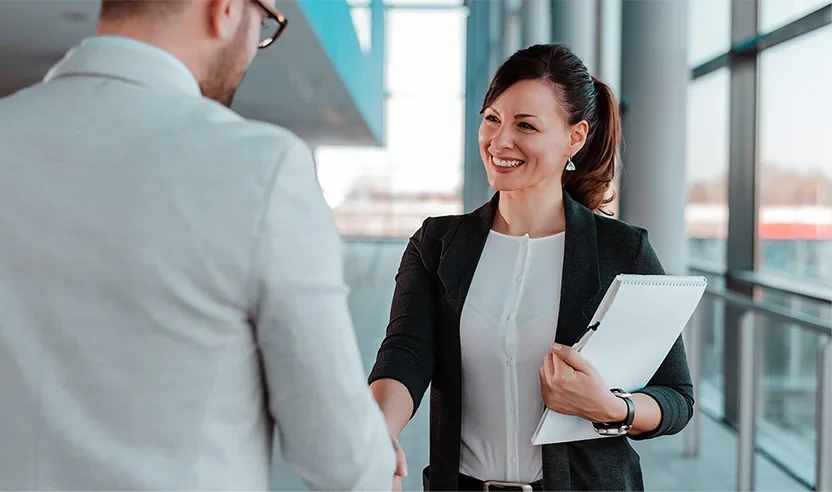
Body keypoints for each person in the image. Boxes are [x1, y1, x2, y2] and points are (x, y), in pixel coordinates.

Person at [0, 0, 396, 489]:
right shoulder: (261, 168)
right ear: (226, 10)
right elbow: (343, 463)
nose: (255, 46)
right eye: (265, 25)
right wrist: (377, 453)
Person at [368, 43, 695, 491]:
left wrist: (611, 408)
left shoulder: (622, 250)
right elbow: (404, 355)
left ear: (574, 138)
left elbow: (676, 397)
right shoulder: (438, 243)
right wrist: (378, 435)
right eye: (492, 118)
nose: (501, 141)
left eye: (526, 125)